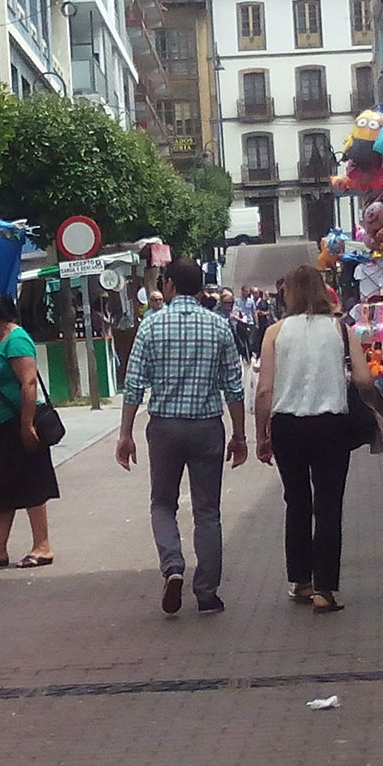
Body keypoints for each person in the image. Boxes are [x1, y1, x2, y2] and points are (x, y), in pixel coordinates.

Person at [116, 257, 247, 616]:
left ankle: (173, 566)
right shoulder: (219, 326)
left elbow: (134, 385)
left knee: (162, 502)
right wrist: (240, 435)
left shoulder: (151, 326)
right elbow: (233, 388)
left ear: (170, 284)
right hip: (207, 427)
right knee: (208, 512)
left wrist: (125, 434)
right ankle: (207, 593)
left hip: (165, 427)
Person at [255, 265, 377, 614]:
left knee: (296, 502)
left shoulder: (275, 332)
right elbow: (365, 380)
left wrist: (261, 434)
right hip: (331, 426)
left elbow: (264, 390)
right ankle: (325, 589)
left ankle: (300, 580)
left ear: (289, 293)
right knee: (328, 505)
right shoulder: (341, 329)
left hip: (287, 427)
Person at [0, 293, 59, 569]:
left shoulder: (17, 340)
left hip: (18, 424)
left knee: (32, 483)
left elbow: (28, 382)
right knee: (3, 488)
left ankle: (42, 546)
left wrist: (26, 424)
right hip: (1, 426)